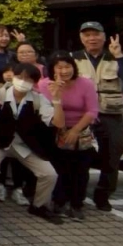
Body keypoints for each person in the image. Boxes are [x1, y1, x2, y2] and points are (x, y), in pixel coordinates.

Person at [0, 62, 63, 224]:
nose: (23, 81)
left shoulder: (39, 100)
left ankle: (39, 206)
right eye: (19, 77)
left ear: (34, 83)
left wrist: (57, 100)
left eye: (28, 79)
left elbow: (58, 123)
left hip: (25, 146)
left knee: (49, 174)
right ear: (12, 75)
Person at [73, 22, 123, 212]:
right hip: (82, 112)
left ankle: (103, 193)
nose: (91, 38)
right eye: (87, 35)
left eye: (95, 34)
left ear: (104, 36)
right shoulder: (74, 58)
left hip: (109, 112)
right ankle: (77, 192)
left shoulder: (116, 57)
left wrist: (119, 56)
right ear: (81, 38)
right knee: (79, 152)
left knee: (114, 150)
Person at [40, 52, 99, 221]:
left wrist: (75, 130)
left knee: (81, 169)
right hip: (56, 129)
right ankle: (59, 201)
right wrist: (56, 93)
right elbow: (47, 110)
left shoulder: (85, 84)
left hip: (81, 128)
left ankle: (77, 204)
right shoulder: (45, 85)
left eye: (67, 66)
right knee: (60, 168)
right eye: (59, 67)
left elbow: (92, 111)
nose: (64, 71)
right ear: (52, 69)